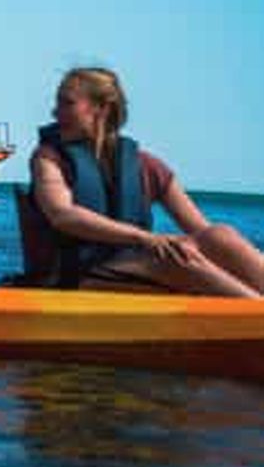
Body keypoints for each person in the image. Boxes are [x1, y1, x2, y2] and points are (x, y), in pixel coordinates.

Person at [26, 66, 264, 296]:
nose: (55, 113)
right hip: (80, 277)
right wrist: (144, 238)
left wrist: (193, 246)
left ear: (101, 108)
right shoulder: (49, 158)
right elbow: (62, 215)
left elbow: (202, 232)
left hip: (134, 269)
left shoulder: (146, 165)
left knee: (219, 235)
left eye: (67, 103)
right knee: (176, 260)